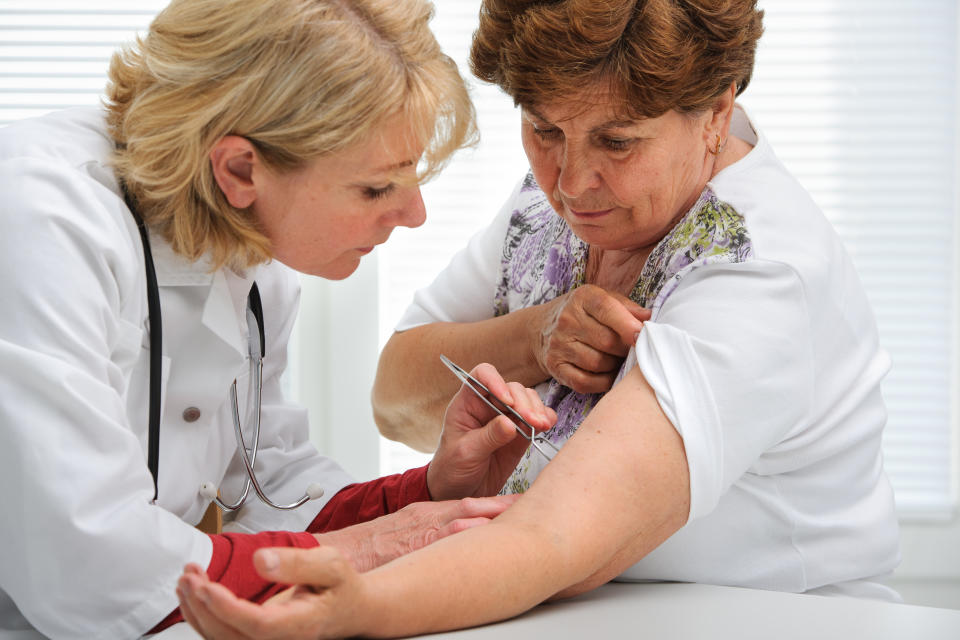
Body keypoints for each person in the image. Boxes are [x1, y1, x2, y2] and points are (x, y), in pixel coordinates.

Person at [176, 0, 902, 637]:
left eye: (619, 143)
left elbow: (562, 536)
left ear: (716, 113)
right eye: (544, 129)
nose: (570, 181)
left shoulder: (757, 269)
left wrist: (355, 606)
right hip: (567, 609)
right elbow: (394, 396)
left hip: (766, 620)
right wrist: (535, 335)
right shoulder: (563, 200)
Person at [0, 0, 559, 638]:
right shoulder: (37, 221)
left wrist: (424, 491)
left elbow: (270, 487)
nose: (415, 216)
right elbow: (82, 561)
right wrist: (364, 552)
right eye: (377, 188)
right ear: (240, 168)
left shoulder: (249, 246)